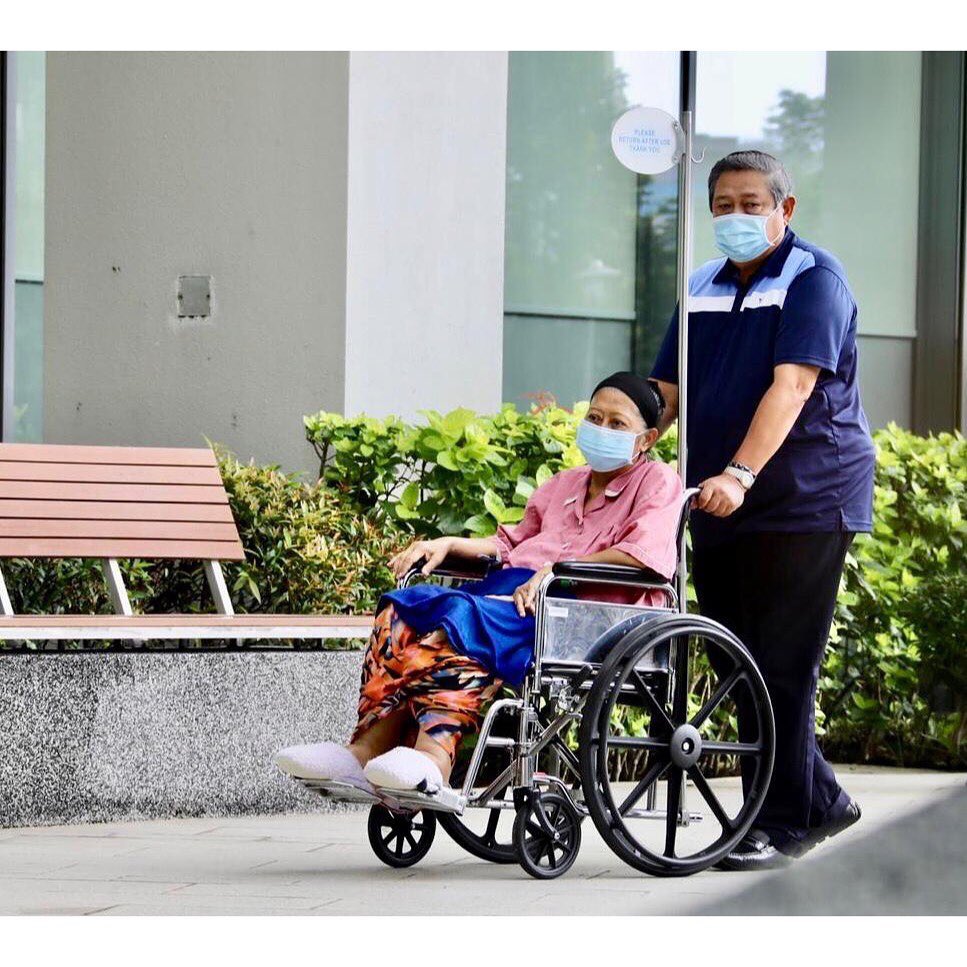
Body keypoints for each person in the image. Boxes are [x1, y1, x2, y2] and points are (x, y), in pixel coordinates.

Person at [276, 372, 682, 798]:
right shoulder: (564, 484)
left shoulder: (657, 483)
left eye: (617, 424)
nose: (602, 429)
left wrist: (560, 567)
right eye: (595, 417)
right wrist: (446, 543)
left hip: (575, 607)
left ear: (647, 439)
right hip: (511, 592)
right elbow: (509, 543)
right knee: (404, 607)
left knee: (460, 618)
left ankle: (434, 755)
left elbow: (647, 556)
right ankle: (365, 750)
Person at [651, 150, 875, 870]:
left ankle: (775, 825)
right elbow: (667, 388)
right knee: (735, 661)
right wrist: (623, 438)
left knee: (780, 663)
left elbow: (791, 386)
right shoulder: (700, 285)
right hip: (719, 495)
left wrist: (742, 472)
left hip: (804, 496)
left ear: (786, 208)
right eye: (722, 204)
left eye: (752, 203)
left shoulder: (814, 278)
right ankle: (822, 801)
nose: (736, 217)